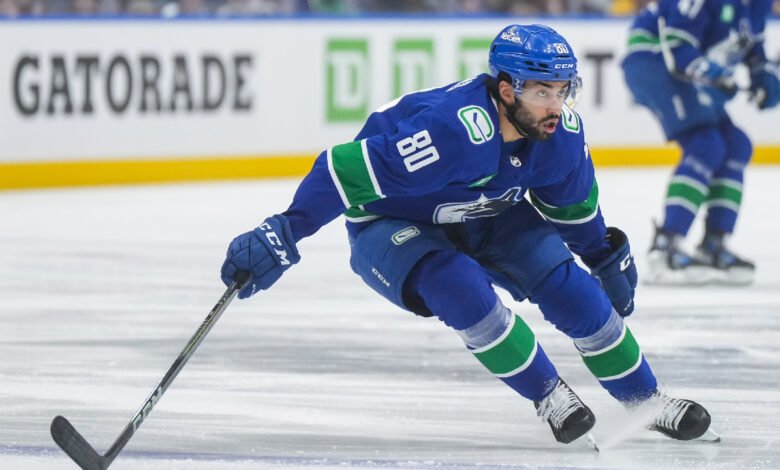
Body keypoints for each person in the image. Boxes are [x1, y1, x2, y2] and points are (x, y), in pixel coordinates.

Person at [221, 24, 716, 445]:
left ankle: (646, 400)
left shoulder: (560, 135)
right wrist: (285, 229)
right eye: (542, 92)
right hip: (390, 221)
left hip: (485, 211)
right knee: (457, 285)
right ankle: (548, 393)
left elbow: (574, 210)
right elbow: (342, 170)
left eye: (563, 90)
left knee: (574, 291)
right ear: (506, 91)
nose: (556, 106)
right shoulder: (453, 132)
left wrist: (602, 257)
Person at [622, 0, 780, 285]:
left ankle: (713, 244)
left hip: (684, 67)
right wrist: (713, 73)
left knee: (735, 144)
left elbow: (750, 42)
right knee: (705, 145)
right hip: (653, 60)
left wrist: (762, 73)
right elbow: (677, 46)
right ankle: (665, 247)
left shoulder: (759, 4)